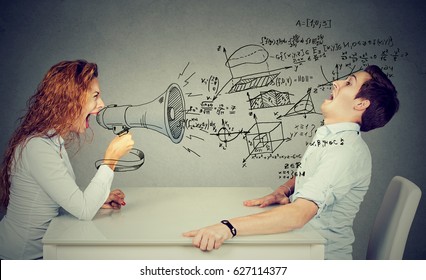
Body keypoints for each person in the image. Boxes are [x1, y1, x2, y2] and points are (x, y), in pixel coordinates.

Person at [183, 65, 399, 260]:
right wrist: (284, 190)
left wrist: (226, 227)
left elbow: (298, 215)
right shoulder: (334, 137)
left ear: (361, 103)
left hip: (319, 260)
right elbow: (315, 175)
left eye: (349, 83)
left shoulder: (345, 151)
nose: (337, 82)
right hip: (302, 246)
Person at [0, 60, 134, 259]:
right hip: (20, 259)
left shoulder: (52, 141)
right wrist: (111, 159)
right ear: (69, 99)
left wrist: (97, 199)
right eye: (95, 96)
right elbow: (84, 210)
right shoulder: (37, 147)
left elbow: (61, 199)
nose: (102, 104)